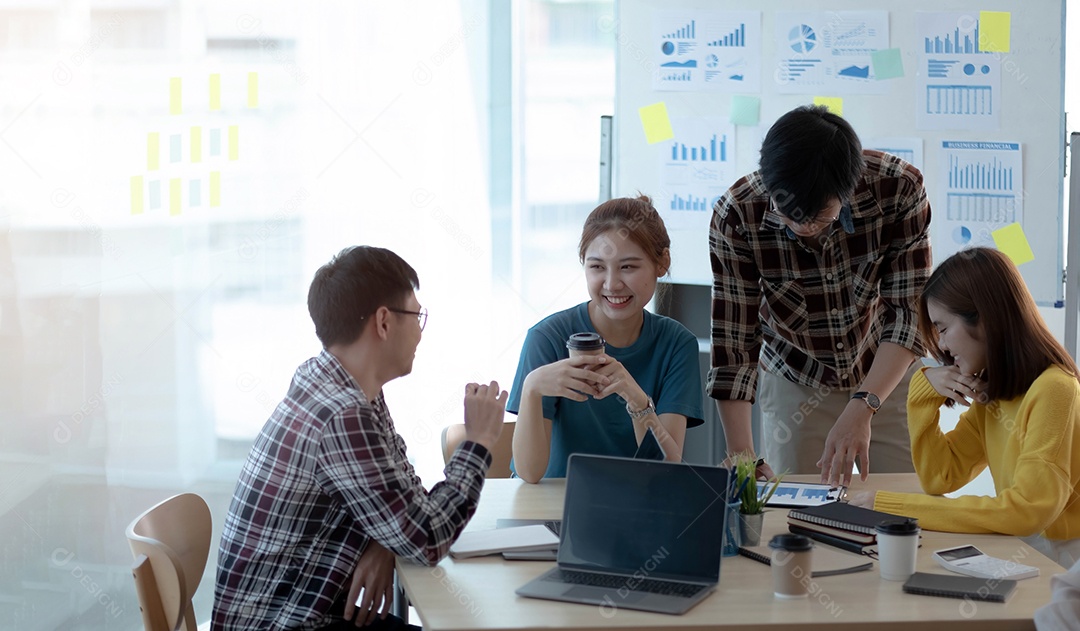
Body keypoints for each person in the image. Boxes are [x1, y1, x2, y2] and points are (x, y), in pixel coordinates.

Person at [212, 246, 508, 630]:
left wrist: (384, 543)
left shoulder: (333, 380)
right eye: (417, 316)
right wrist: (479, 442)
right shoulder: (343, 414)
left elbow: (406, 500)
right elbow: (429, 538)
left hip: (313, 609)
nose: (420, 332)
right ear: (384, 322)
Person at [708, 104, 932, 486]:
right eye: (790, 216)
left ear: (848, 188)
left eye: (819, 218)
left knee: (905, 502)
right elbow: (735, 344)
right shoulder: (737, 215)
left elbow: (908, 314)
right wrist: (742, 454)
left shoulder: (899, 187)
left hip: (884, 371)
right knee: (795, 512)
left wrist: (865, 405)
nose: (803, 227)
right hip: (795, 375)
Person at [849, 248, 1080, 568]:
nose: (941, 345)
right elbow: (940, 477)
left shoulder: (1055, 389)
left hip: (1064, 563)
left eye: (943, 329)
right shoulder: (997, 393)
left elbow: (1027, 511)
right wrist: (921, 392)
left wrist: (895, 507)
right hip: (1032, 551)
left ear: (984, 319)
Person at [508, 196, 704, 483]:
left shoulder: (677, 344)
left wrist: (637, 400)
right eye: (597, 267)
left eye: (628, 267)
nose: (612, 284)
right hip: (554, 512)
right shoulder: (547, 338)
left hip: (637, 506)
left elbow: (667, 469)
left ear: (662, 263)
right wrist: (531, 389)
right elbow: (528, 473)